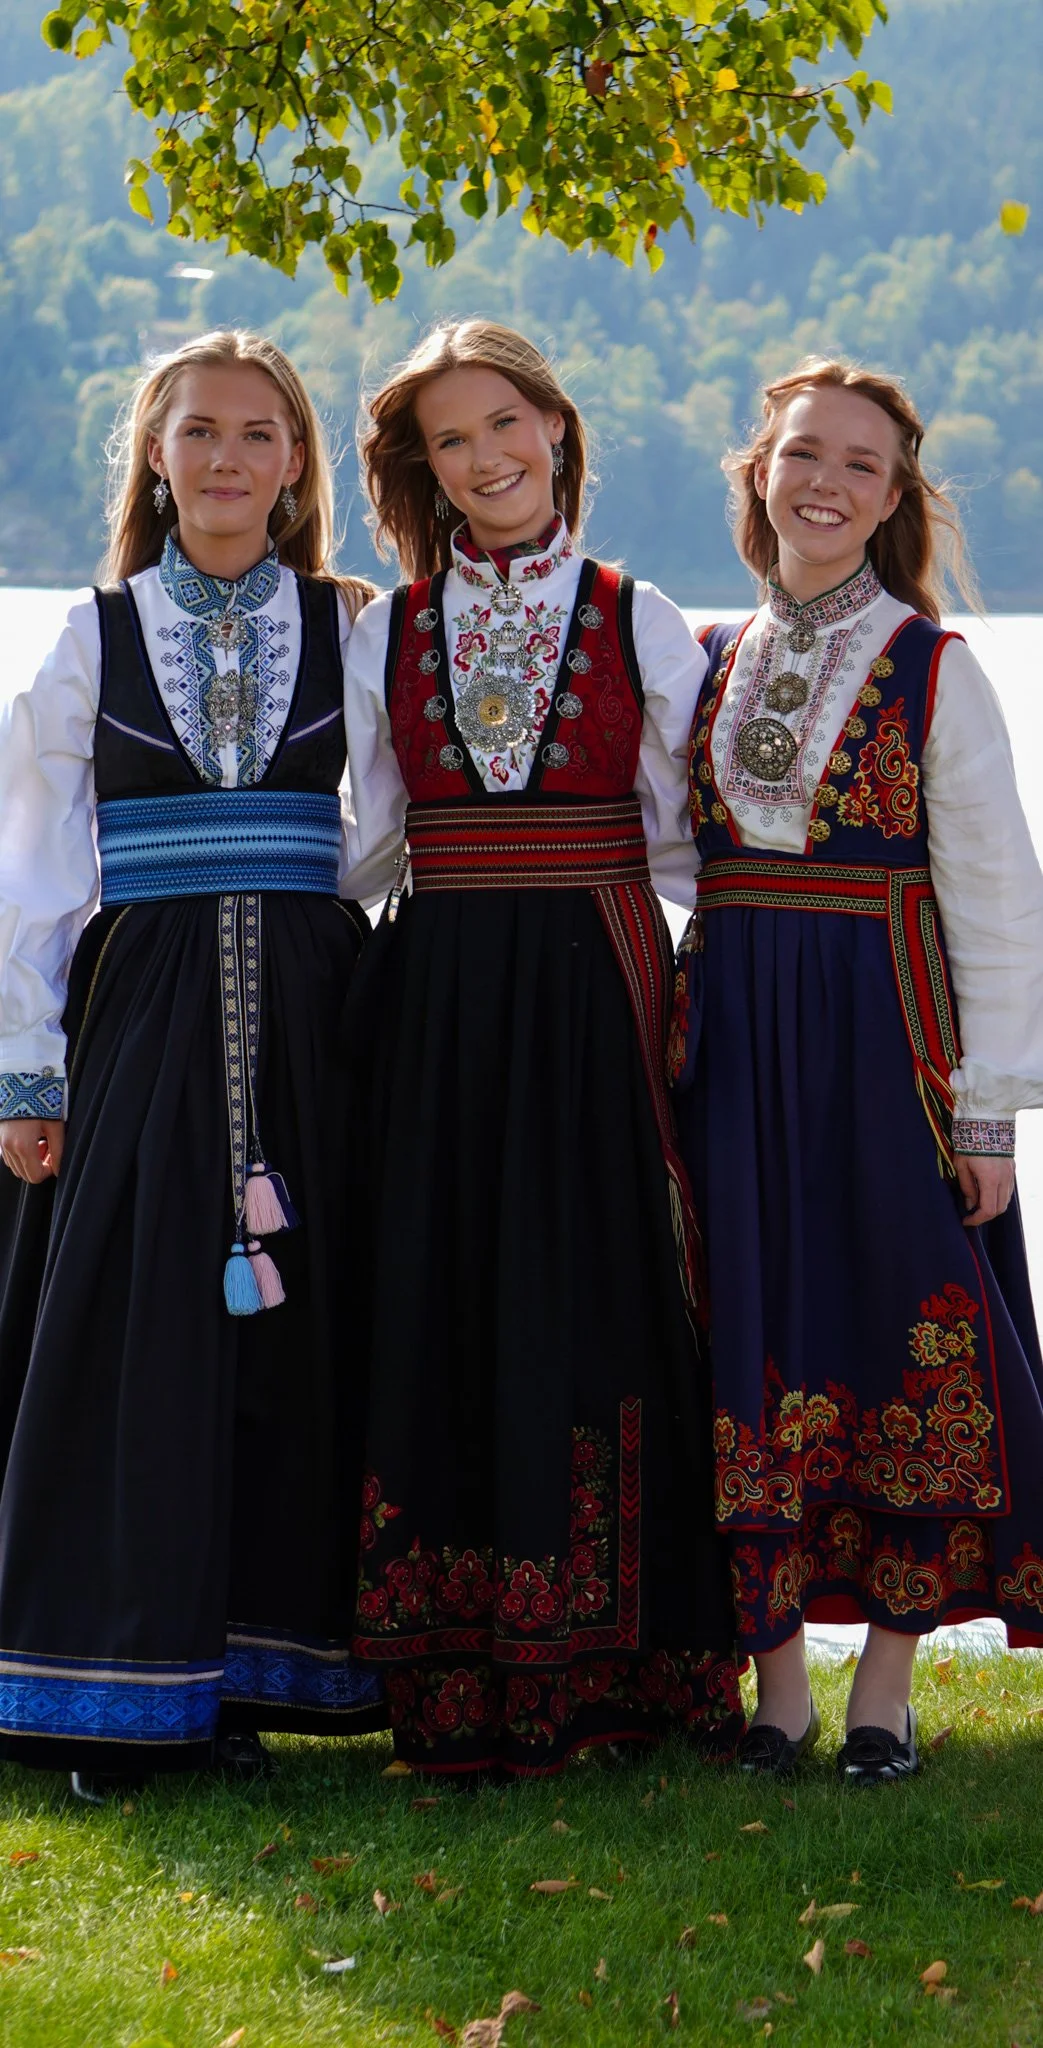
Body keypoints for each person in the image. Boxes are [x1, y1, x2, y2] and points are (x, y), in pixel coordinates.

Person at [338, 318, 742, 1781]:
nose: (487, 455)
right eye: (451, 438)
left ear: (557, 428)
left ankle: (624, 1673)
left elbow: (692, 839)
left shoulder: (641, 611)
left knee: (604, 1287)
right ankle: (453, 1684)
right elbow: (367, 846)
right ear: (424, 469)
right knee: (440, 1288)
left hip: (595, 975)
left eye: (504, 422)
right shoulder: (385, 626)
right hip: (440, 982)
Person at [0, 329, 385, 1799]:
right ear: (154, 458)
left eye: (258, 435)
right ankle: (118, 1687)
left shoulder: (351, 624)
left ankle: (263, 1674)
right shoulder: (89, 635)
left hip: (308, 1006)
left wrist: (318, 909)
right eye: (200, 432)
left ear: (294, 468)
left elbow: (403, 818)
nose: (227, 458)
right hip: (144, 1005)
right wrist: (27, 1064)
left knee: (300, 1339)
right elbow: (28, 864)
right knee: (135, 1334)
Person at [671, 355, 1043, 1783]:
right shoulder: (702, 655)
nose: (825, 483)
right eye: (803, 454)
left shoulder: (931, 668)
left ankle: (883, 1686)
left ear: (892, 500)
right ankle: (775, 1687)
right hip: (735, 1034)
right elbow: (663, 845)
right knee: (747, 1325)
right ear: (758, 468)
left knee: (899, 1328)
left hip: (884, 1039)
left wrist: (989, 1113)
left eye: (861, 467)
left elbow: (1000, 905)